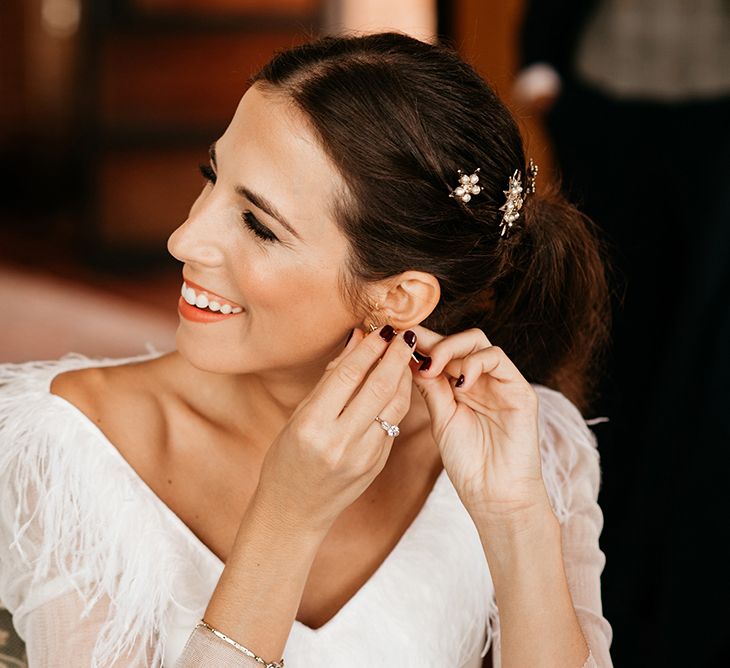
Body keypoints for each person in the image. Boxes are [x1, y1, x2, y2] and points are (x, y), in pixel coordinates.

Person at [0, 32, 614, 667]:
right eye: (211, 177)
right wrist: (284, 523)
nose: (184, 240)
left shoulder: (526, 449)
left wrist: (514, 517)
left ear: (398, 298)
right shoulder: (70, 452)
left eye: (259, 225)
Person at [514, 3, 730, 665]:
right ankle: (602, 578)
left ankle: (686, 596)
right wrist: (541, 63)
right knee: (615, 332)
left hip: (719, 118)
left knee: (701, 350)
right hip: (603, 101)